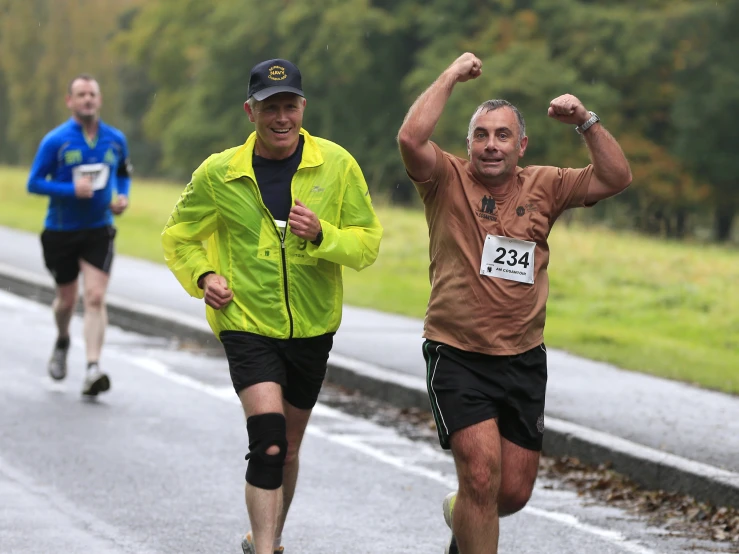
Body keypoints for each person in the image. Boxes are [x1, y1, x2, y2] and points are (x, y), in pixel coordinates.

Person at [397, 53, 632, 554]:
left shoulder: (545, 185)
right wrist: (450, 77)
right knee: (480, 477)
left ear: (521, 145)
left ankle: (465, 517)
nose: (490, 145)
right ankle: (472, 507)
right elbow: (410, 140)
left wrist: (585, 122)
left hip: (523, 356)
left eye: (502, 135)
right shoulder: (445, 179)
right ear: (468, 145)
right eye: (480, 134)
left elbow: (616, 178)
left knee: (512, 493)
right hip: (457, 352)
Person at [162, 58, 382, 554]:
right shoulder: (219, 174)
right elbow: (179, 235)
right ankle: (266, 550)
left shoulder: (337, 165)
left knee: (290, 449)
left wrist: (323, 234)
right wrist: (204, 276)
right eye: (269, 108)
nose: (281, 117)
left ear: (303, 107)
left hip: (313, 326)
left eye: (289, 106)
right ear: (250, 111)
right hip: (246, 322)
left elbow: (367, 244)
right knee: (270, 441)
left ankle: (270, 537)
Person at [27, 73, 132, 397]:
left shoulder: (115, 139)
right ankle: (62, 339)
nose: (87, 99)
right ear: (70, 101)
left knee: (96, 297)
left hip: (99, 229)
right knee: (66, 301)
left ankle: (92, 368)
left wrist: (122, 197)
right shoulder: (56, 140)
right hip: (60, 231)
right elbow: (34, 182)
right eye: (81, 94)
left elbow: (123, 174)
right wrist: (69, 189)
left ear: (99, 100)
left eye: (92, 94)